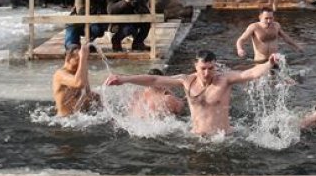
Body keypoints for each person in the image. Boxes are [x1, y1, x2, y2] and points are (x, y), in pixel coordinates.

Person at [104, 49, 281, 135]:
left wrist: (269, 64)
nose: (207, 73)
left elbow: (249, 73)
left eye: (211, 68)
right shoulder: (186, 80)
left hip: (223, 139)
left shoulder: (225, 79)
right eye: (203, 68)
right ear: (195, 66)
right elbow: (153, 80)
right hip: (195, 139)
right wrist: (124, 79)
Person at [235, 7, 302, 62]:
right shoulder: (254, 27)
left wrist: (297, 46)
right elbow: (241, 39)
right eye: (266, 18)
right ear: (260, 17)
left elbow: (286, 38)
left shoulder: (276, 25)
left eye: (271, 18)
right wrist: (240, 49)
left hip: (275, 60)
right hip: (260, 61)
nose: (269, 21)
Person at [53, 44, 101, 116]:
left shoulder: (79, 72)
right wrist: (83, 57)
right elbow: (79, 83)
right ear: (68, 57)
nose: (81, 64)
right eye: (78, 59)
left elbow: (87, 93)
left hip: (78, 118)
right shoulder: (60, 74)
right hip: (64, 121)